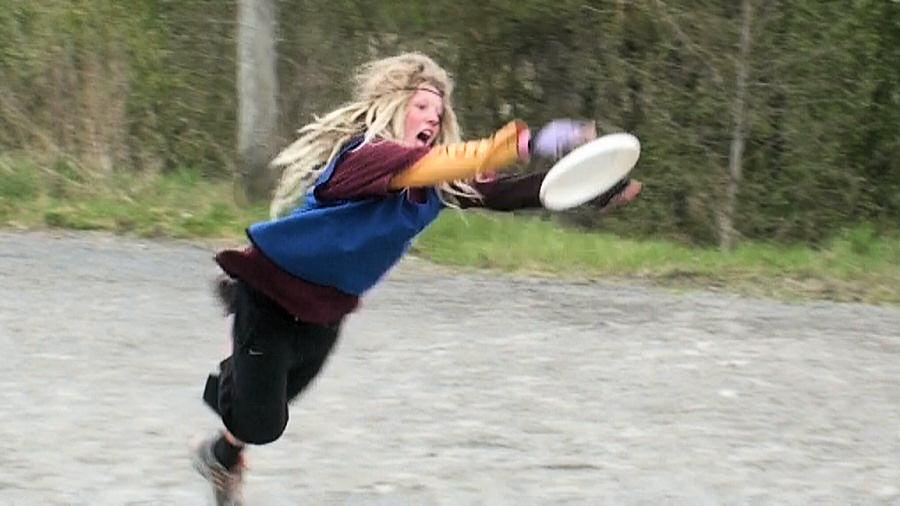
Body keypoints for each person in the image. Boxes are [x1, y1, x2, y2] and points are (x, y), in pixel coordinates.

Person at [191, 52, 641, 505]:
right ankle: (238, 352)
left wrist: (590, 186)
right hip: (271, 294)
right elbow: (455, 160)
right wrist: (532, 141)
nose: (432, 116)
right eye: (421, 106)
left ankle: (221, 454)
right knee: (263, 423)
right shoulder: (364, 156)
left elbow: (503, 192)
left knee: (273, 402)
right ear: (393, 107)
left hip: (326, 309)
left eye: (438, 112)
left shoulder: (433, 187)